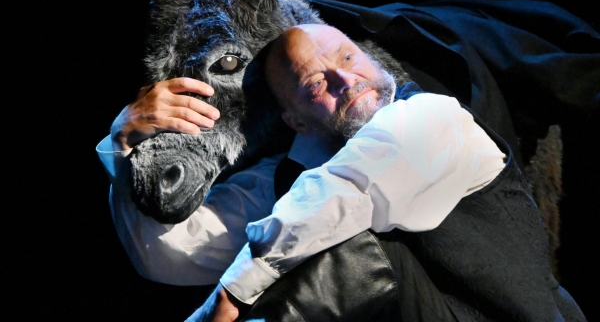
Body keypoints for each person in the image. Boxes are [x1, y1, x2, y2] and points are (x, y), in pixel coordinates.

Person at [98, 21, 588, 321]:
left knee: (339, 247)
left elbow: (351, 189)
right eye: (315, 83)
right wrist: (125, 143)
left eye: (349, 57)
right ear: (295, 121)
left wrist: (230, 294)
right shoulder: (290, 184)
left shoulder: (433, 118)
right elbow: (168, 254)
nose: (345, 79)